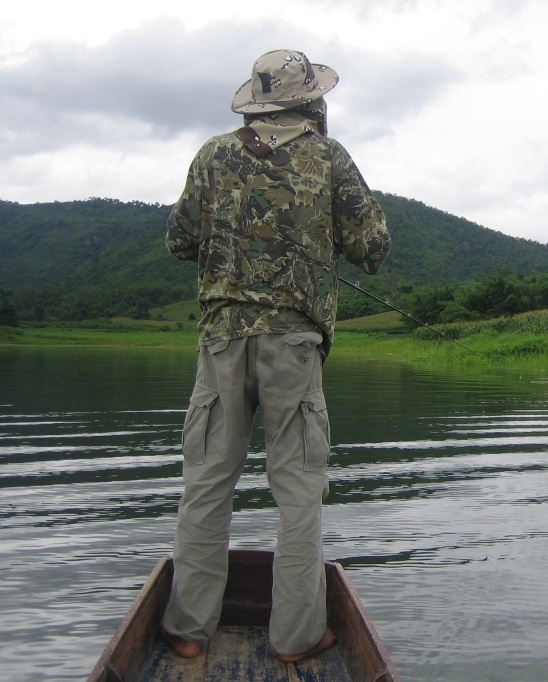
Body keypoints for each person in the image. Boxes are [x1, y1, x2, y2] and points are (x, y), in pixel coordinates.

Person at [160, 49, 390, 662]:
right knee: (298, 492)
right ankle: (297, 636)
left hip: (222, 338)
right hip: (294, 344)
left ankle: (187, 629)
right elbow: (373, 246)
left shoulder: (212, 153)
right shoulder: (329, 156)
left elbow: (180, 239)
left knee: (207, 483)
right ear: (310, 99)